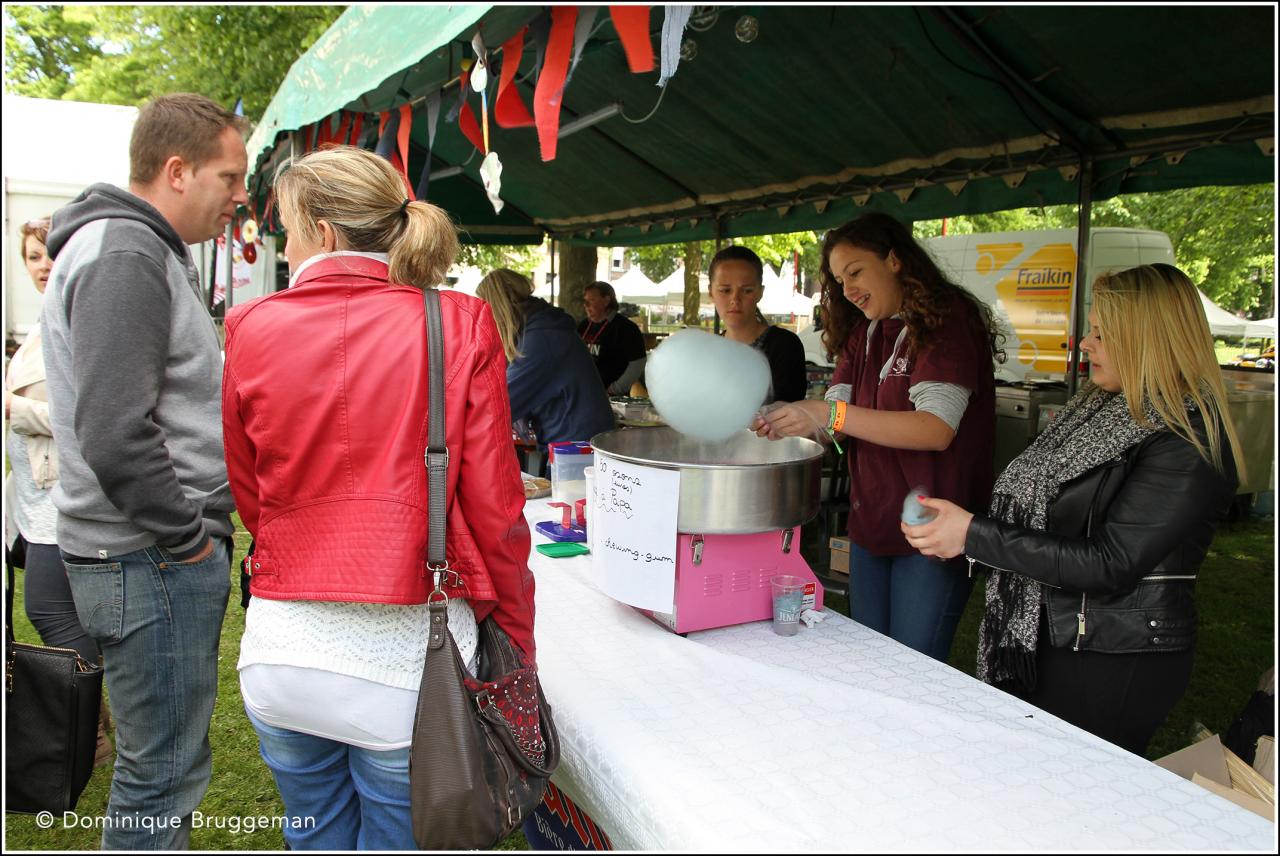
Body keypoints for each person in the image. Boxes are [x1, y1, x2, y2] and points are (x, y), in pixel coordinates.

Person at [222, 145, 537, 850]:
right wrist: (516, 635)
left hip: (283, 651)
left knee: (315, 838)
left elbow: (253, 496)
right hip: (409, 667)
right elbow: (496, 511)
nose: (284, 241)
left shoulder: (250, 327)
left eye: (288, 227)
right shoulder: (458, 321)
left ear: (323, 231)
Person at [902, 263, 1242, 756]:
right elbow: (1041, 509)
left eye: (1103, 333)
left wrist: (973, 535)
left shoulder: (1186, 440)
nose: (1085, 343)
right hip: (1049, 636)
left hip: (1113, 656)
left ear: (1148, 339)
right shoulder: (1098, 409)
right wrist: (955, 526)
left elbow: (1110, 562)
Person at [41, 93, 245, 849]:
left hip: (142, 553)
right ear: (177, 170)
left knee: (162, 769)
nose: (239, 195)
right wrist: (186, 538)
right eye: (229, 176)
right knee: (159, 778)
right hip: (148, 555)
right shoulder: (125, 252)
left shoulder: (133, 246)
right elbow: (115, 431)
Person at [755, 212, 999, 662]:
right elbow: (836, 422)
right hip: (871, 526)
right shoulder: (862, 333)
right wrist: (789, 421)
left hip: (930, 534)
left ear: (894, 260)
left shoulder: (947, 322)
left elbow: (936, 428)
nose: (847, 289)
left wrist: (829, 412)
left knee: (912, 667)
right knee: (867, 661)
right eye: (838, 279)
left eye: (856, 272)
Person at [4, 217, 114, 768]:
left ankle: (91, 727)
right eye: (31, 257)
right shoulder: (41, 322)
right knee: (64, 612)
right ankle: (92, 723)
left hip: (62, 502)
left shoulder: (76, 315)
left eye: (50, 253)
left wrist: (14, 410)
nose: (42, 265)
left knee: (49, 611)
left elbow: (86, 416)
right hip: (30, 504)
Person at [477, 268, 616, 454]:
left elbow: (497, 403)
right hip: (575, 442)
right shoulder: (539, 325)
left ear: (498, 307)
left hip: (578, 450)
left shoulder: (543, 337)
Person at [709, 244, 807, 403]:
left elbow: (787, 412)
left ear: (760, 292)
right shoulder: (709, 352)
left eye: (747, 290)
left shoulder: (784, 346)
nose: (735, 299)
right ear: (711, 292)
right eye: (725, 290)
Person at [578, 280, 647, 394]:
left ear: (606, 300)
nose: (586, 305)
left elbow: (638, 362)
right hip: (584, 392)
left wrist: (615, 389)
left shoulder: (625, 328)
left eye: (591, 300)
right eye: (585, 301)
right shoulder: (584, 325)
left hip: (610, 397)